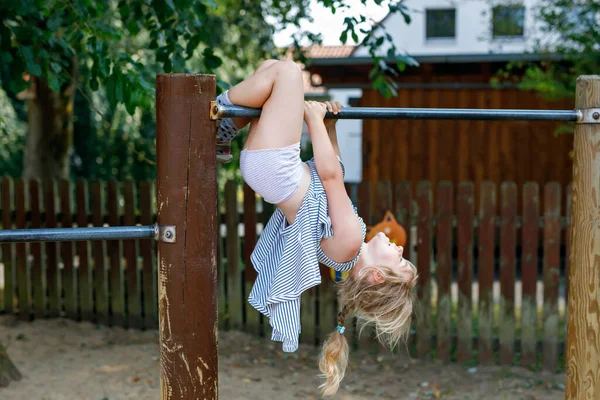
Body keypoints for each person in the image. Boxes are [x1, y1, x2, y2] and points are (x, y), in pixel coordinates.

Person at [215, 59, 418, 397]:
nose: (399, 248)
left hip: (276, 168)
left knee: (289, 73)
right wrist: (331, 125)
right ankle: (224, 130)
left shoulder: (352, 241)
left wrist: (313, 120)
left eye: (399, 259)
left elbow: (330, 176)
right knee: (270, 68)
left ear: (377, 276)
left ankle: (219, 114)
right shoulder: (346, 249)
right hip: (273, 170)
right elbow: (332, 172)